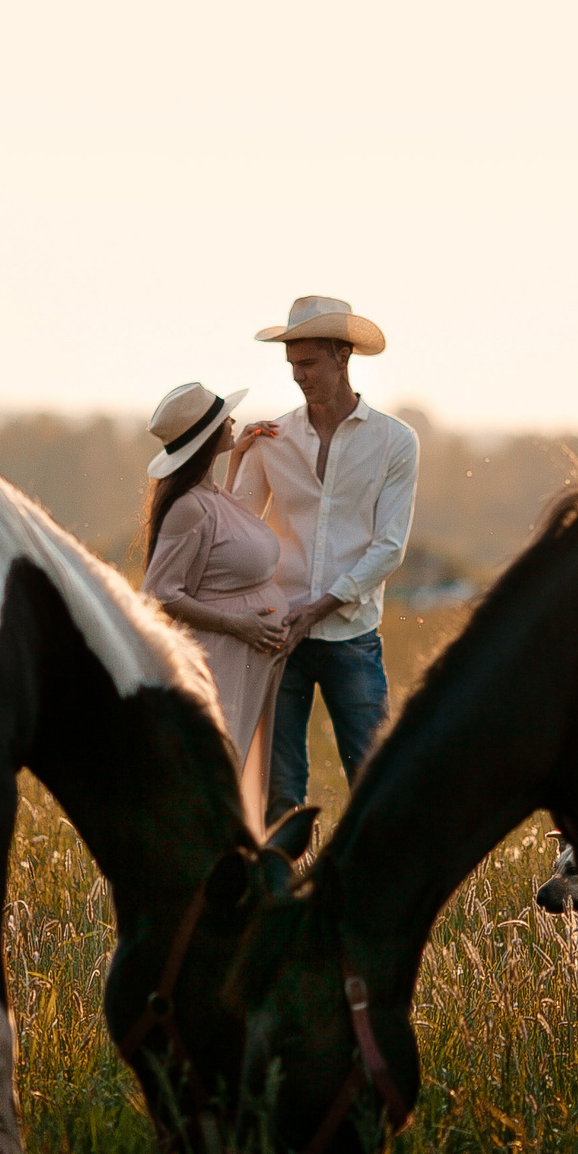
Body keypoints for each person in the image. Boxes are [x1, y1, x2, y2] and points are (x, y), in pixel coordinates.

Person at [232, 296, 420, 844]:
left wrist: (314, 608)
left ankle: (374, 903)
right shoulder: (272, 438)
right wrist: (237, 456)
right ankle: (281, 907)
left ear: (342, 356)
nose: (298, 377)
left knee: (374, 783)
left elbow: (389, 548)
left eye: (309, 364)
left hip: (351, 637)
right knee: (281, 793)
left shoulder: (394, 441)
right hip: (278, 638)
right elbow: (237, 530)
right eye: (292, 365)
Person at [139, 381, 288, 829]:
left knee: (236, 777)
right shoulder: (188, 507)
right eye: (225, 420)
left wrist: (238, 456)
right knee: (217, 778)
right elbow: (160, 593)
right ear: (206, 438)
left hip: (247, 660)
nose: (234, 421)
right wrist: (236, 625)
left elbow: (230, 533)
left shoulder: (210, 496)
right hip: (223, 658)